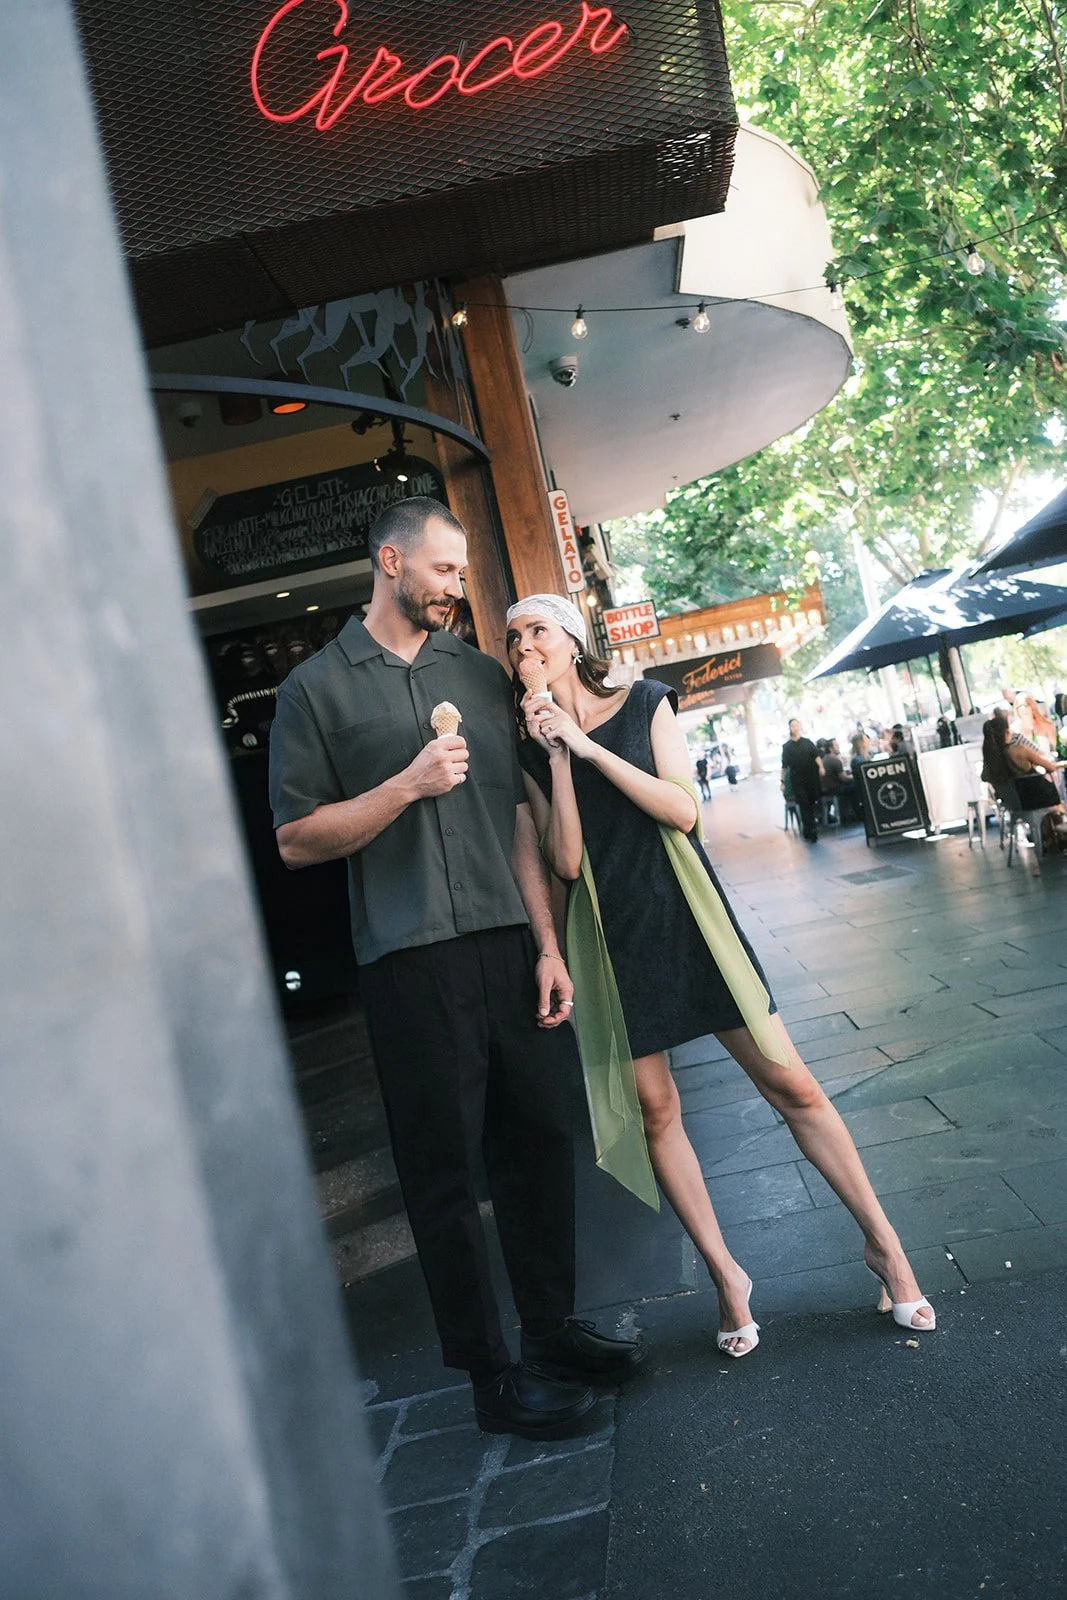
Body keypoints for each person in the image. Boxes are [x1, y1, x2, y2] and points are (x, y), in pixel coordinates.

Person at [268, 500, 641, 1440]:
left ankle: (552, 1335)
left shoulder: (476, 672)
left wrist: (547, 945)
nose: (455, 587)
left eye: (461, 572)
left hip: (506, 947)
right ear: (390, 561)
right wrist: (405, 785)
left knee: (538, 1143)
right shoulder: (313, 691)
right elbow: (296, 840)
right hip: (407, 962)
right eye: (441, 569)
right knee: (441, 1177)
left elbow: (515, 817)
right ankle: (491, 1377)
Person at [506, 595, 936, 1357]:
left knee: (792, 1084)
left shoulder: (644, 704)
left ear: (570, 642)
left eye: (536, 629)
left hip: (686, 917)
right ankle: (725, 1275)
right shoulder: (534, 745)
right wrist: (556, 753)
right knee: (656, 1111)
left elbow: (680, 810)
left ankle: (886, 1248)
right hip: (610, 938)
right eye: (512, 638)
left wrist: (591, 743)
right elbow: (564, 861)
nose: (522, 644)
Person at [981, 706, 1067, 819]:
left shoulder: (990, 759)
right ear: (1006, 733)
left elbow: (984, 777)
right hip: (1038, 799)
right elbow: (1050, 767)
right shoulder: (1019, 750)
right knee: (1058, 805)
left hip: (1012, 804)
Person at [781, 719, 822, 841]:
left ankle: (811, 828)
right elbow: (784, 766)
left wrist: (821, 767)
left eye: (797, 725)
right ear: (789, 728)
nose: (795, 728)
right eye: (793, 726)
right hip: (797, 780)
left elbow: (816, 756)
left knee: (812, 802)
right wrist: (782, 782)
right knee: (804, 805)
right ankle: (810, 830)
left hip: (811, 778)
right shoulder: (787, 747)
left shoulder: (808, 743)